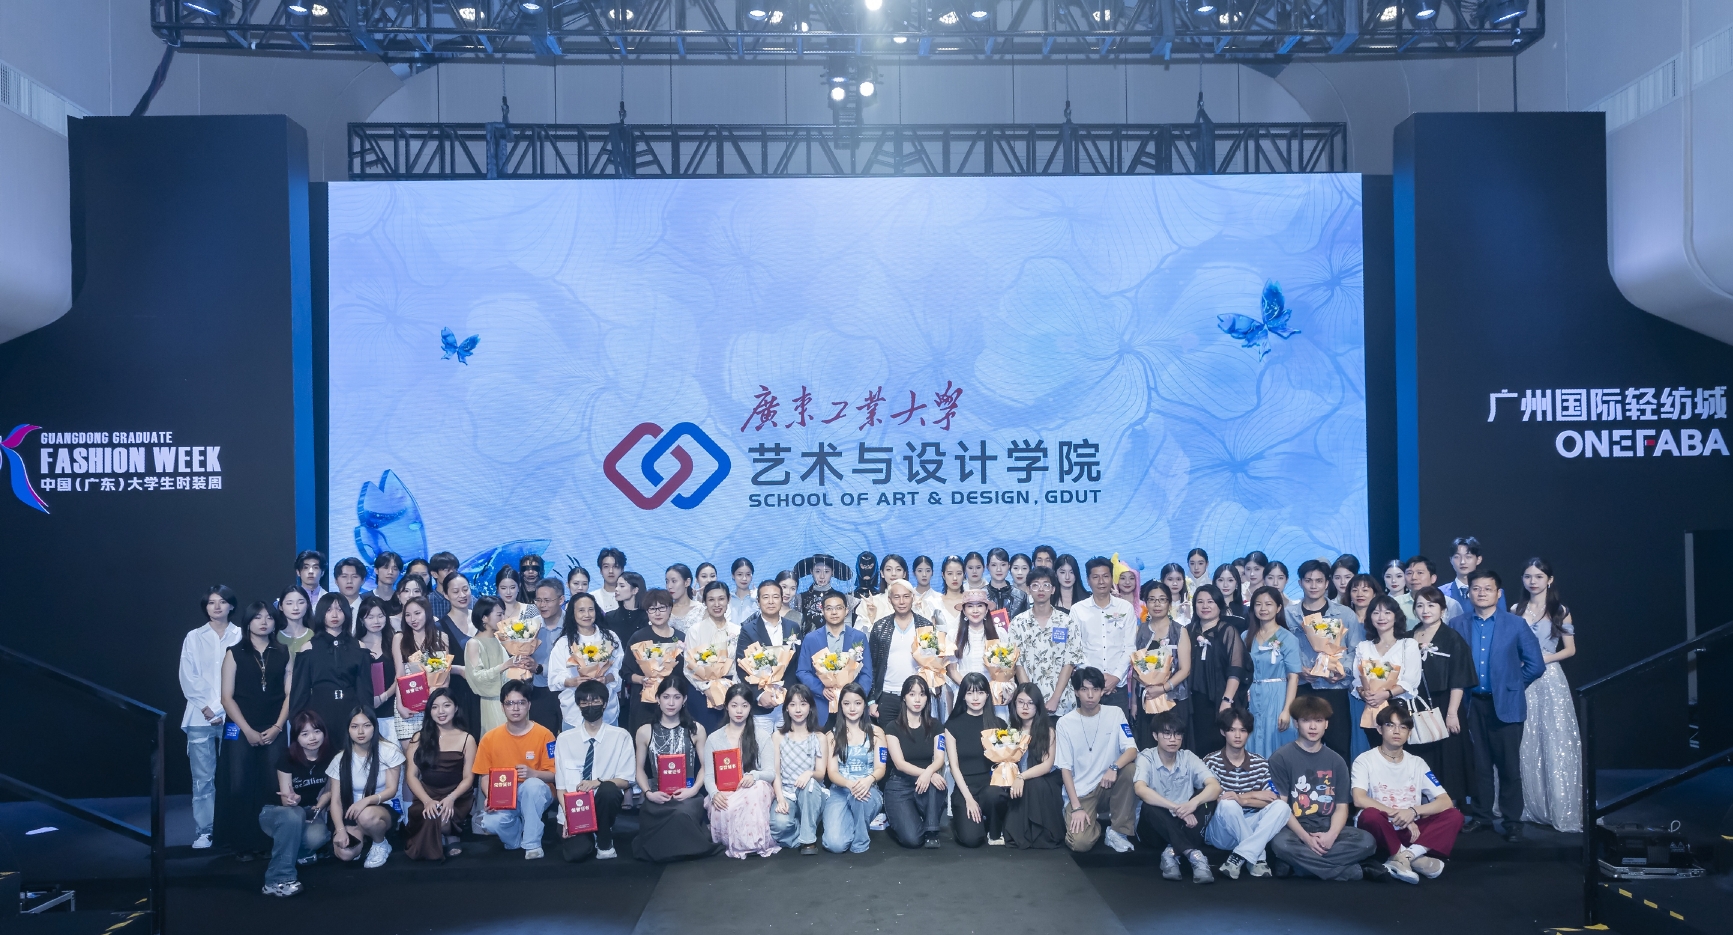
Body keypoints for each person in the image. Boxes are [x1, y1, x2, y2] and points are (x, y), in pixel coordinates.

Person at [1449, 568, 1545, 842]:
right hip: (1471, 705)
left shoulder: (1515, 624)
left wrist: (1512, 684)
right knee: (1479, 765)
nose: (1481, 593)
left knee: (1509, 767)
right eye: (1476, 589)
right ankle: (1482, 816)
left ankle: (1513, 821)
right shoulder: (1457, 624)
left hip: (1506, 704)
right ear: (1469, 593)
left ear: (1498, 593)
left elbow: (1536, 665)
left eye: (1487, 589)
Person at [1265, 694, 1376, 880]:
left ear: (1326, 724)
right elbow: (1281, 807)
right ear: (1296, 723)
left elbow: (1342, 807)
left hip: (1327, 825)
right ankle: (1348, 871)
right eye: (1306, 720)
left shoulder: (1337, 761)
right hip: (1294, 828)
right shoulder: (1281, 758)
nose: (1313, 727)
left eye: (1318, 721)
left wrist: (1331, 835)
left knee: (1367, 841)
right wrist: (1306, 838)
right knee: (1280, 844)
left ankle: (1299, 867)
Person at [1351, 704, 1466, 884]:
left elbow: (1445, 801)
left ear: (1409, 732)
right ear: (1379, 729)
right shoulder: (1365, 760)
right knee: (1370, 815)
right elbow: (1359, 799)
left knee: (1454, 815)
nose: (1397, 731)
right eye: (1390, 725)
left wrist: (1413, 811)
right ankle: (1415, 858)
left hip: (1411, 830)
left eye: (1403, 727)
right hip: (1381, 827)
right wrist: (1398, 814)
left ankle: (1405, 857)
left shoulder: (1417, 763)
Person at [1509, 558, 1582, 833]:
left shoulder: (1560, 610)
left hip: (1550, 678)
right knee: (1524, 738)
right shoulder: (1515, 610)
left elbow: (1570, 649)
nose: (1533, 581)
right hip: (1522, 678)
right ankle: (1526, 803)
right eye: (1528, 576)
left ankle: (1559, 805)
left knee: (1554, 738)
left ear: (1549, 580)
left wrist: (1541, 659)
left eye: (1539, 576)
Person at [216, 600, 291, 858]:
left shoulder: (283, 652)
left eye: (269, 617)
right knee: (239, 784)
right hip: (240, 728)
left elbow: (290, 694)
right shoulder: (234, 653)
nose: (264, 622)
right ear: (248, 622)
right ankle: (242, 844)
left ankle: (269, 843)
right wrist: (247, 730)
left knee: (272, 783)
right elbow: (226, 698)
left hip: (274, 727)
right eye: (257, 617)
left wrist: (278, 727)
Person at [1404, 586, 1478, 811]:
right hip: (1414, 705)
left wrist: (1452, 713)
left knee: (1448, 758)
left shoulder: (1452, 638)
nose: (1425, 610)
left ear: (1443, 609)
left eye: (1431, 605)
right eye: (1420, 605)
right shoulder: (1408, 637)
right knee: (1420, 757)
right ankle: (1420, 809)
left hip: (1445, 705)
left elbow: (1459, 679)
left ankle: (1448, 811)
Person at [633, 673, 719, 862]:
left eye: (676, 697)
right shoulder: (644, 731)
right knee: (651, 813)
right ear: (658, 699)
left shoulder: (696, 729)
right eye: (666, 697)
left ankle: (678, 849)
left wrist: (693, 790)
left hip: (687, 795)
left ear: (684, 700)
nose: (671, 703)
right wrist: (648, 793)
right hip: (657, 796)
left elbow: (706, 766)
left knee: (681, 813)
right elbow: (638, 769)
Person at [180, 585, 241, 850]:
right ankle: (205, 831)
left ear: (231, 605)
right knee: (203, 779)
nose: (216, 607)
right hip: (199, 718)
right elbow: (187, 676)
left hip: (233, 718)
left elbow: (243, 676)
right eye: (211, 602)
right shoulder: (194, 637)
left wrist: (220, 708)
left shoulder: (241, 635)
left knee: (235, 776)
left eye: (222, 601)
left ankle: (234, 828)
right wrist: (208, 708)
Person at [1283, 560, 1361, 763]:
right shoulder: (1288, 615)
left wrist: (1341, 670)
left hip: (1334, 688)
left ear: (1327, 583)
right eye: (1308, 580)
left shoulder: (1345, 614)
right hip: (1302, 687)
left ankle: (1340, 784)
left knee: (1339, 747)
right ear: (1300, 583)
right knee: (1301, 747)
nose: (1313, 585)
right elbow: (1281, 649)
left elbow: (1356, 650)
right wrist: (1298, 669)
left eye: (1319, 581)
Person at [471, 680, 557, 859]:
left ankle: (532, 844)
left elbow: (555, 775)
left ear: (529, 705)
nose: (515, 708)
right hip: (505, 796)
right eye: (509, 703)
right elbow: (485, 776)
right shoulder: (489, 738)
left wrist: (534, 774)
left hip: (538, 792)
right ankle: (515, 838)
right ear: (502, 707)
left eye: (521, 703)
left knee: (531, 786)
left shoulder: (545, 735)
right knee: (490, 822)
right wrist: (491, 797)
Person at [1056, 667, 1139, 853]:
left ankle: (1118, 831)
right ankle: (1091, 822)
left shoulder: (1115, 713)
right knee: (1080, 844)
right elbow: (1065, 769)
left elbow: (1132, 750)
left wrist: (1114, 767)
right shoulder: (1065, 723)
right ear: (1076, 692)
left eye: (1095, 689)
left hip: (1109, 784)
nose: (1090, 695)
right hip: (1082, 792)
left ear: (1102, 691)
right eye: (1084, 689)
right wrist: (1076, 807)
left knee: (1131, 770)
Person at [1203, 705, 1290, 879]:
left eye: (1242, 730)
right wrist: (1251, 795)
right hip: (1221, 830)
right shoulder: (1210, 761)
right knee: (1228, 804)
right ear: (1223, 732)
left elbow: (1273, 798)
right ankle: (1259, 857)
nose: (1237, 735)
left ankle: (1238, 856)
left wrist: (1242, 800)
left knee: (1282, 807)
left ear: (1248, 733)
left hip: (1250, 824)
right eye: (1232, 730)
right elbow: (1216, 800)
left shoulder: (1260, 763)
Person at [1132, 712, 1221, 883]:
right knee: (1149, 805)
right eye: (1167, 733)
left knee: (1207, 798)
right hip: (1154, 830)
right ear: (1155, 736)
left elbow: (1215, 786)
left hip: (1184, 824)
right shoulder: (1146, 757)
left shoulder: (1188, 757)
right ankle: (1193, 854)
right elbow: (1140, 789)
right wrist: (1176, 808)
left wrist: (1193, 804)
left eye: (1177, 734)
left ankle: (1170, 853)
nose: (1173, 739)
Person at [553, 679, 633, 862]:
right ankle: (589, 835)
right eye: (585, 702)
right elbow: (561, 788)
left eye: (595, 701)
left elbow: (626, 780)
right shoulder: (564, 740)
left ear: (604, 704)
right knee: (575, 854)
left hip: (603, 803)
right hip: (575, 809)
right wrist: (569, 817)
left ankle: (604, 839)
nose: (590, 706)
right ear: (578, 705)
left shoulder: (621, 736)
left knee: (608, 789)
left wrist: (597, 782)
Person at [259, 711, 334, 897]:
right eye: (305, 734)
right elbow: (286, 798)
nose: (312, 738)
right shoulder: (287, 758)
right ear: (296, 737)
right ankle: (277, 879)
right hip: (276, 812)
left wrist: (321, 804)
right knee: (294, 814)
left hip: (308, 812)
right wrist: (293, 800)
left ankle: (298, 852)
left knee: (320, 836)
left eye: (316, 731)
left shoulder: (331, 756)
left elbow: (332, 790)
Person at [290, 594, 373, 756]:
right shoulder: (308, 648)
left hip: (351, 711)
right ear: (321, 613)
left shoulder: (359, 647)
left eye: (340, 610)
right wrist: (298, 723)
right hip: (319, 712)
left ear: (347, 613)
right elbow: (300, 691)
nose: (335, 615)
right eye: (329, 610)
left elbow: (365, 690)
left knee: (352, 758)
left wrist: (367, 718)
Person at [703, 683, 780, 858]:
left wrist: (754, 775)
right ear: (726, 707)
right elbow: (708, 776)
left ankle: (753, 843)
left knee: (758, 788)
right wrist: (714, 793)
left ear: (750, 708)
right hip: (725, 791)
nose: (739, 711)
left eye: (744, 706)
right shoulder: (714, 738)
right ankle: (737, 841)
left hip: (753, 790)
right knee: (723, 804)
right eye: (734, 705)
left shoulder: (761, 736)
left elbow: (770, 773)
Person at [402, 688, 475, 861]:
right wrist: (427, 801)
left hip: (456, 796)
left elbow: (468, 778)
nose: (441, 711)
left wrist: (451, 798)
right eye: (435, 707)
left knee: (442, 819)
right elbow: (411, 776)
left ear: (456, 708)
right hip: (426, 795)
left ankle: (451, 835)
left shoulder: (467, 739)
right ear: (429, 711)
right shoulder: (418, 738)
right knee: (432, 815)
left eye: (446, 705)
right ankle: (442, 836)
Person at [327, 707, 403, 868]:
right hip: (351, 813)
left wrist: (366, 801)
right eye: (355, 726)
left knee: (366, 815)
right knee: (345, 854)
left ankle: (380, 843)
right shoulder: (340, 759)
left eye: (366, 725)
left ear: (374, 727)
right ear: (348, 729)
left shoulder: (388, 751)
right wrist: (340, 829)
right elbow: (336, 801)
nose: (360, 731)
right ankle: (365, 840)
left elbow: (392, 790)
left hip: (381, 809)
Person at [1008, 567, 1084, 717]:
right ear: (1029, 590)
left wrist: (1055, 698)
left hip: (1062, 701)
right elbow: (1018, 664)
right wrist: (1030, 697)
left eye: (1046, 585)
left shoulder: (1066, 621)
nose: (1041, 589)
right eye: (1035, 585)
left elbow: (1070, 662)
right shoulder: (1018, 623)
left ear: (1053, 589)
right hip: (1028, 704)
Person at [945, 672, 1010, 847]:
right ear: (963, 696)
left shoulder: (999, 724)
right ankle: (971, 821)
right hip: (965, 788)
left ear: (987, 695)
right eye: (970, 693)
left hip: (991, 788)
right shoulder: (952, 725)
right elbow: (954, 767)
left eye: (980, 693)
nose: (975, 698)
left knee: (994, 795)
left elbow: (1005, 761)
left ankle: (994, 826)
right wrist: (968, 799)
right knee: (971, 839)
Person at [821, 682, 886, 854]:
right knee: (834, 845)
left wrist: (868, 781)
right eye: (847, 703)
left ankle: (861, 841)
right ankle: (856, 822)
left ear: (864, 705)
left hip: (868, 790)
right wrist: (850, 784)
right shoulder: (832, 735)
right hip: (840, 791)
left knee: (860, 798)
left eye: (857, 703)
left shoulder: (877, 732)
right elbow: (832, 772)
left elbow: (881, 768)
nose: (852, 708)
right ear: (840, 706)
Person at [883, 675, 947, 848]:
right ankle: (900, 821)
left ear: (927, 698)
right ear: (904, 697)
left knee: (937, 783)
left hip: (927, 786)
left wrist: (929, 773)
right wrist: (927, 773)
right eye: (912, 694)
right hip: (900, 784)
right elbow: (899, 763)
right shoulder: (892, 727)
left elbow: (939, 758)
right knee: (912, 840)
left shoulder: (936, 725)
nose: (917, 699)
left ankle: (932, 832)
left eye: (922, 694)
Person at [1184, 584, 1245, 755]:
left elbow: (1236, 669)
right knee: (1194, 749)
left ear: (1219, 604)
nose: (1205, 606)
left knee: (1217, 748)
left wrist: (1227, 700)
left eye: (1210, 601)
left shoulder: (1228, 631)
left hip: (1219, 700)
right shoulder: (1188, 631)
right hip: (1192, 702)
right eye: (1200, 602)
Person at [795, 591, 872, 728]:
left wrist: (855, 695)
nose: (834, 612)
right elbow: (802, 671)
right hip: (821, 704)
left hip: (852, 707)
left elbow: (866, 673)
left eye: (839, 608)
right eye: (829, 608)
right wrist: (821, 689)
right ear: (822, 611)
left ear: (846, 610)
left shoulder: (859, 637)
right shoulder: (811, 639)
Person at [1354, 595, 1422, 749]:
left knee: (1402, 755)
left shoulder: (1408, 644)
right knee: (1377, 754)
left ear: (1396, 616)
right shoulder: (1363, 647)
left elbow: (1411, 680)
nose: (1381, 617)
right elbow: (1358, 679)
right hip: (1373, 711)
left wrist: (1386, 694)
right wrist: (1364, 694)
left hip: (1400, 710)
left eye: (1387, 612)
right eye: (1376, 613)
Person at [547, 592, 623, 729]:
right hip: (574, 713)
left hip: (607, 711)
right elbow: (554, 679)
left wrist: (607, 679)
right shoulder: (564, 643)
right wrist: (572, 682)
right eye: (581, 610)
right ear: (572, 613)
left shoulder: (610, 637)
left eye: (591, 609)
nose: (587, 615)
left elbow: (620, 670)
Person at [770, 684, 830, 854]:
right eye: (793, 704)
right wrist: (780, 798)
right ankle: (805, 829)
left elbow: (821, 774)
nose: (798, 709)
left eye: (803, 704)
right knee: (778, 826)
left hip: (812, 793)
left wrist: (809, 773)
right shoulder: (778, 736)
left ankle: (808, 842)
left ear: (810, 707)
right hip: (787, 793)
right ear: (786, 708)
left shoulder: (819, 737)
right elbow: (775, 772)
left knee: (809, 785)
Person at [1131, 582, 1192, 749]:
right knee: (1148, 746)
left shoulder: (1179, 631)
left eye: (1162, 599)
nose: (1157, 604)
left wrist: (1163, 688)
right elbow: (1136, 669)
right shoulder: (1140, 631)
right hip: (1147, 699)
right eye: (1152, 599)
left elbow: (1185, 669)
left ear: (1169, 603)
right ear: (1145, 603)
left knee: (1173, 746)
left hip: (1174, 700)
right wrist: (1134, 703)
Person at [1003, 682, 1064, 849]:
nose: (1025, 707)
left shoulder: (1048, 731)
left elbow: (1047, 765)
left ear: (1037, 706)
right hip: (1017, 777)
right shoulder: (1010, 730)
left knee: (1034, 785)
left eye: (1030, 703)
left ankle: (1039, 835)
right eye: (1021, 702)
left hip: (1044, 779)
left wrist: (1021, 777)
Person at [735, 580, 802, 728]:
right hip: (761, 706)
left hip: (789, 703)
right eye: (765, 597)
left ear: (782, 599)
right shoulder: (748, 630)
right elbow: (741, 667)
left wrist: (794, 694)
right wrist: (758, 694)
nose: (771, 601)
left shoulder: (793, 627)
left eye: (775, 597)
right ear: (758, 601)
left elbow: (798, 664)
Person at [1244, 586, 1301, 757]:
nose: (1263, 608)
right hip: (1252, 697)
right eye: (1258, 604)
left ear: (1278, 608)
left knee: (1277, 742)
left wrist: (1287, 710)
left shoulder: (1288, 638)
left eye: (1268, 604)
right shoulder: (1245, 636)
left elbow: (1293, 677)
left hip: (1277, 696)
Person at [1073, 557, 1136, 711]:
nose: (1101, 581)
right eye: (1096, 577)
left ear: (1112, 578)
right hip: (1087, 689)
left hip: (1117, 687)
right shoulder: (1077, 610)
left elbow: (1130, 647)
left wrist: (1116, 677)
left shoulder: (1125, 608)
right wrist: (1095, 680)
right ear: (1088, 580)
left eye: (1105, 576)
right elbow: (1075, 648)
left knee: (1118, 727)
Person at [866, 579, 931, 723]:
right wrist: (871, 700)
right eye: (897, 597)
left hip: (916, 697)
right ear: (890, 600)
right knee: (886, 737)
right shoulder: (880, 627)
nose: (902, 601)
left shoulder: (926, 626)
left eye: (906, 596)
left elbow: (933, 665)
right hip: (887, 696)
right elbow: (871, 666)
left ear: (912, 597)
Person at [622, 588, 684, 733]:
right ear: (647, 612)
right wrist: (642, 679)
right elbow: (625, 672)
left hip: (673, 703)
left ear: (670, 609)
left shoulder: (681, 638)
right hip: (645, 703)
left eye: (662, 608)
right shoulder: (638, 637)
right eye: (652, 609)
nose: (657, 613)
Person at [683, 580, 741, 731]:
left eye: (721, 599)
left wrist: (732, 690)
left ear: (728, 599)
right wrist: (708, 690)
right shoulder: (695, 631)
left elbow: (740, 665)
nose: (717, 604)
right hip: (702, 694)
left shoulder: (738, 631)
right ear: (704, 602)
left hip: (732, 694)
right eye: (711, 600)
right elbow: (689, 667)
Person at [391, 596, 446, 742]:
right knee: (410, 751)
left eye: (417, 613)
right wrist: (400, 705)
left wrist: (437, 700)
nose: (412, 619)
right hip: (408, 701)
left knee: (435, 749)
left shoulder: (441, 637)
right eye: (408, 615)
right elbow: (400, 674)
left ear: (427, 613)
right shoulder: (399, 638)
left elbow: (444, 676)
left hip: (434, 702)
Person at [463, 596, 515, 733]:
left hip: (511, 699)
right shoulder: (474, 643)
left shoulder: (499, 639)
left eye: (503, 614)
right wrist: (505, 665)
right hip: (493, 703)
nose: (503, 618)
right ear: (484, 618)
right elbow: (477, 677)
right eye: (499, 614)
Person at [353, 595, 399, 743]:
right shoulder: (355, 646)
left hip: (392, 709)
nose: (376, 621)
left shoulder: (395, 642)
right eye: (370, 617)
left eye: (380, 616)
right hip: (363, 713)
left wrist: (384, 696)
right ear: (362, 620)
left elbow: (401, 675)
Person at [525, 579, 566, 734]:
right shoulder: (531, 626)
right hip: (539, 690)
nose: (542, 605)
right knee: (542, 738)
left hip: (567, 690)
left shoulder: (572, 625)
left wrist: (540, 668)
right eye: (538, 600)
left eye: (547, 601)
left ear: (561, 600)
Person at [946, 589, 1000, 692]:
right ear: (964, 610)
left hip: (993, 691)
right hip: (965, 691)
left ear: (986, 609)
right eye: (970, 606)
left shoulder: (999, 633)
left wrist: (987, 690)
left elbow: (1005, 668)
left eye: (980, 605)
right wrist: (971, 689)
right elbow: (952, 670)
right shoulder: (954, 635)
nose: (975, 610)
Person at [853, 553, 912, 631]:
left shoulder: (915, 602)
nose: (893, 574)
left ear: (904, 574)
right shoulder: (870, 602)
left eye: (898, 569)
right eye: (888, 569)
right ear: (882, 573)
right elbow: (858, 635)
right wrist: (871, 617)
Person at [798, 554, 856, 628]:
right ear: (811, 571)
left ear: (832, 572)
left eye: (826, 571)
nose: (822, 576)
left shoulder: (842, 599)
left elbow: (847, 628)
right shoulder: (800, 599)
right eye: (817, 571)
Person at [601, 571, 648, 648]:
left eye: (622, 586)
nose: (616, 589)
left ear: (635, 590)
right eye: (616, 585)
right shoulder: (609, 617)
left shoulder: (647, 617)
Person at [985, 548, 1030, 618]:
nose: (999, 569)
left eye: (1003, 565)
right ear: (987, 567)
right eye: (994, 565)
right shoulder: (980, 595)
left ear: (1009, 566)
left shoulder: (1021, 596)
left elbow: (1027, 622)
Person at [908, 555, 947, 624]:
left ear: (932, 573)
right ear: (914, 573)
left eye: (928, 571)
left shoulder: (939, 598)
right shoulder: (908, 597)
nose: (924, 574)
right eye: (920, 571)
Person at [666, 563, 704, 633]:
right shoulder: (664, 610)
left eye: (674, 581)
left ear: (687, 582)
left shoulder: (700, 610)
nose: (669, 586)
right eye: (667, 582)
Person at [276, 585, 313, 654]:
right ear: (281, 607)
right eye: (289, 603)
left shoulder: (315, 635)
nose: (295, 608)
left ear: (307, 605)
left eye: (301, 602)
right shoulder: (274, 636)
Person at [370, 551, 404, 624]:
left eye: (395, 569)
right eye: (386, 567)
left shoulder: (402, 599)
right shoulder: (365, 598)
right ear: (376, 570)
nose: (390, 572)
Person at [592, 548, 626, 615]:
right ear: (600, 570)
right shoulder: (593, 598)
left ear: (622, 570)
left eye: (615, 566)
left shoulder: (630, 597)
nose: (611, 571)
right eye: (606, 566)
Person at [938, 554, 969, 625]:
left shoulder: (971, 601)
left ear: (964, 574)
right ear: (943, 575)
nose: (955, 578)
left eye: (959, 573)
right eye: (950, 574)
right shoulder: (936, 603)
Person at [427, 552, 459, 618]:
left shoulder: (468, 599)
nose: (452, 573)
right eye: (447, 570)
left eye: (454, 569)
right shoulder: (426, 602)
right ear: (434, 574)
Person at [727, 557, 757, 625]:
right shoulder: (727, 598)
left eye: (748, 574)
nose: (744, 578)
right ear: (733, 575)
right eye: (740, 574)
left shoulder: (757, 599)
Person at [776, 571, 806, 635]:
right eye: (784, 587)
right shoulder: (763, 614)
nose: (788, 592)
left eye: (793, 589)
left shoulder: (799, 617)